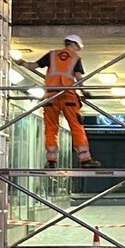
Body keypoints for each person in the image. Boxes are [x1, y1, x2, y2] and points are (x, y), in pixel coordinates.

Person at [19, 34, 101, 169]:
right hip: (68, 96)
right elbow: (79, 78)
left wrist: (22, 63)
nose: (77, 50)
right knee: (76, 127)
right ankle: (85, 159)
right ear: (74, 45)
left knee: (51, 128)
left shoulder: (51, 55)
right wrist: (85, 92)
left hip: (51, 96)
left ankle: (51, 161)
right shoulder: (75, 58)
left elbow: (32, 66)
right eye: (78, 47)